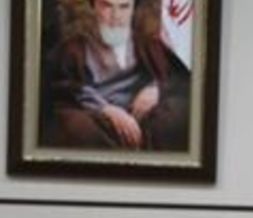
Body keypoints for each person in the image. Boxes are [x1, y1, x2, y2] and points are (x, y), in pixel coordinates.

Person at [41, 0, 190, 150]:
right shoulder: (75, 48)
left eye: (124, 7)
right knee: (75, 127)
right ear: (93, 7)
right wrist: (106, 109)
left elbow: (177, 78)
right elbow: (66, 87)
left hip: (142, 115)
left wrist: (156, 89)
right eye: (107, 6)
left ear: (133, 9)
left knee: (175, 115)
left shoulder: (148, 43)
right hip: (96, 116)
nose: (116, 16)